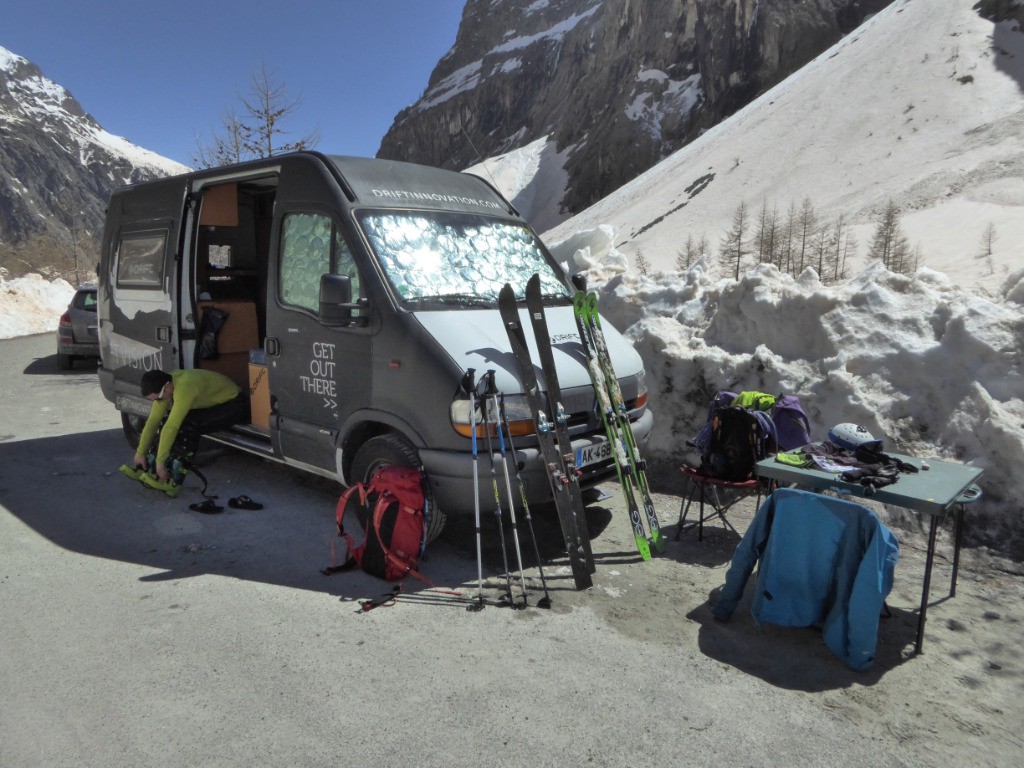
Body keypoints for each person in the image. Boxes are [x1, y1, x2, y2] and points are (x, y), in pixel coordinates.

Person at [131, 368, 248, 490]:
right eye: (154, 400)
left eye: (158, 399)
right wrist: (140, 452)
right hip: (216, 404)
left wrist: (161, 461)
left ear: (166, 387)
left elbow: (172, 427)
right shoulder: (166, 385)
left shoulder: (184, 386)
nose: (158, 402)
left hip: (236, 404)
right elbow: (153, 421)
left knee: (187, 427)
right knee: (166, 421)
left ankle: (174, 480)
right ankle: (149, 467)